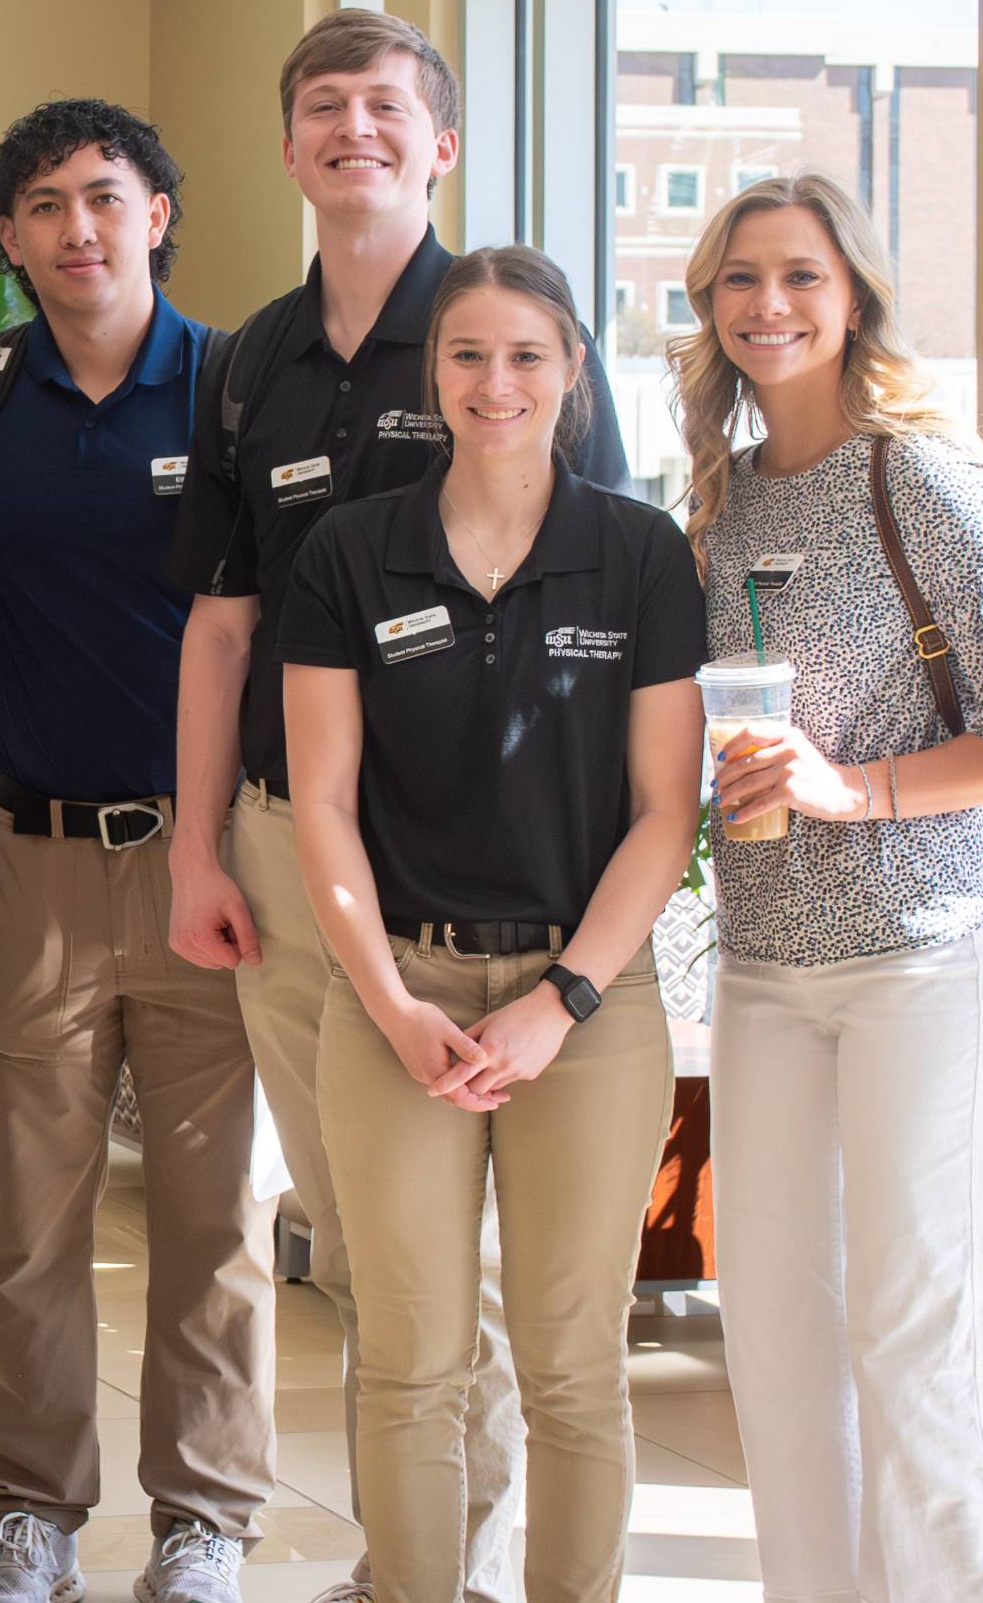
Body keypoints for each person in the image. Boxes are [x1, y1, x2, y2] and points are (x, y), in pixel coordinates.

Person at [165, 9, 631, 1603]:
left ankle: (465, 1554)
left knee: (485, 1273)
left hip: (502, 864)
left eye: (385, 104)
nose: (351, 127)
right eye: (321, 106)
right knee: (369, 1241)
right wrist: (195, 843)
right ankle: (421, 1560)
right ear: (289, 146)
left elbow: (617, 591)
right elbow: (222, 620)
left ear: (439, 141)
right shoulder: (249, 363)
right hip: (303, 859)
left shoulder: (516, 326)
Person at [674, 174, 983, 1603]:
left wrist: (848, 787)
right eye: (741, 277)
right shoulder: (722, 501)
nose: (769, 304)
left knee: (920, 1335)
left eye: (800, 274)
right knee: (782, 1343)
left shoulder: (921, 474)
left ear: (854, 294)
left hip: (923, 959)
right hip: (764, 965)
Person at [279, 246, 702, 1603]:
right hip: (397, 984)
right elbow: (323, 807)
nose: (496, 381)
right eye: (469, 355)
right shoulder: (351, 549)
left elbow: (662, 815)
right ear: (434, 375)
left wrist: (559, 999)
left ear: (574, 373)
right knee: (410, 1359)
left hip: (588, 1002)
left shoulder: (638, 555)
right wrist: (397, 1003)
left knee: (573, 1362)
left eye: (528, 354)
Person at [0, 101, 276, 1603]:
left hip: (214, 868)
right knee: (28, 1221)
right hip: (32, 857)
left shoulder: (237, 390)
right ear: (6, 235)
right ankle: (31, 1513)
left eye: (107, 196)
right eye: (45, 204)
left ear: (161, 212)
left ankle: (205, 1522)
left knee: (208, 1222)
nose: (78, 227)